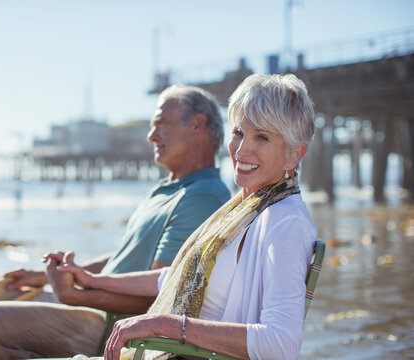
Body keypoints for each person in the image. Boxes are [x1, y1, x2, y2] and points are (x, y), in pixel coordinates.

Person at [49, 73, 318, 360]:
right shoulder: (248, 209)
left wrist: (167, 326)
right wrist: (92, 280)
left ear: (294, 154)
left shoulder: (286, 221)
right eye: (238, 133)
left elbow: (281, 344)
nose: (241, 150)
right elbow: (172, 278)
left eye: (261, 137)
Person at [0, 84, 231, 360]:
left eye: (160, 124)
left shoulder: (203, 196)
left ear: (198, 125)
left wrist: (76, 296)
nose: (151, 136)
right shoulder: (168, 188)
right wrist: (44, 277)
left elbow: (160, 295)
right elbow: (123, 258)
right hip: (97, 307)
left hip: (116, 325)